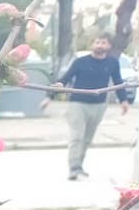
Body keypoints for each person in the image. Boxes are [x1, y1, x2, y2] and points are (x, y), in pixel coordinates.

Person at [54, 34, 132, 180]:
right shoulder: (80, 62)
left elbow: (118, 81)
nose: (100, 45)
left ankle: (79, 166)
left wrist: (124, 100)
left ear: (108, 46)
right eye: (97, 42)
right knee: (77, 136)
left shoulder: (112, 63)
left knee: (87, 138)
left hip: (99, 105)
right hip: (77, 104)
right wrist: (57, 88)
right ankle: (73, 167)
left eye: (103, 42)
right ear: (92, 44)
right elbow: (66, 78)